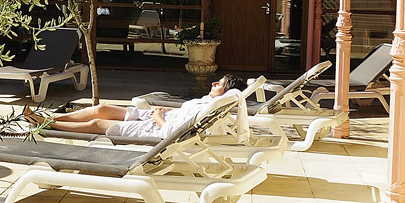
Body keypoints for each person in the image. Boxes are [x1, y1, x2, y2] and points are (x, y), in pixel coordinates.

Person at [22, 73, 247, 141]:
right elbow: (184, 115)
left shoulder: (211, 105)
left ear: (226, 92)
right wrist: (164, 111)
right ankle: (49, 117)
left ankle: (47, 124)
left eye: (221, 84)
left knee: (98, 123)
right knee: (103, 108)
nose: (215, 83)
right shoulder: (210, 102)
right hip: (157, 118)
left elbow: (170, 133)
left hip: (156, 129)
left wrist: (160, 117)